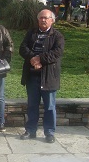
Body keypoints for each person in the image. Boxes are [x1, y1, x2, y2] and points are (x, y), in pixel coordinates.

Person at [19, 9, 65, 143]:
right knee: (32, 105)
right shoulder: (31, 33)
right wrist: (32, 58)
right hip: (32, 76)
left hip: (48, 77)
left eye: (46, 18)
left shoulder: (57, 36)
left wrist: (40, 59)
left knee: (49, 106)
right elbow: (23, 48)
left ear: (52, 20)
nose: (43, 20)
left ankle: (49, 133)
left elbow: (57, 53)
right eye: (41, 18)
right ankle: (30, 130)